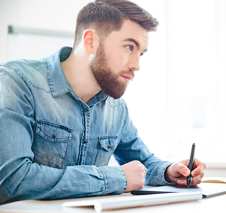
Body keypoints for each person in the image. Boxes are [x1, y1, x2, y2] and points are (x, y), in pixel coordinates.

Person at [0, 0, 206, 204]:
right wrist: (115, 178)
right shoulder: (17, 82)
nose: (136, 65)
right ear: (91, 41)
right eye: (129, 47)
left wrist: (171, 172)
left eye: (141, 53)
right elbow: (12, 181)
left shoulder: (116, 107)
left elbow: (142, 164)